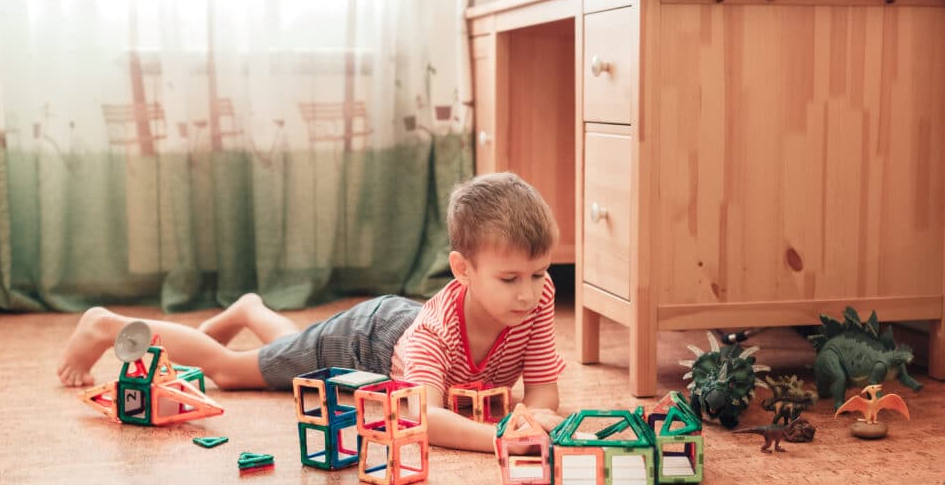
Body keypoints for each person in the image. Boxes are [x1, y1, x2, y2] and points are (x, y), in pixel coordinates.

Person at [58, 172, 565, 452]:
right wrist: (501, 436)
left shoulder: (537, 300)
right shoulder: (434, 334)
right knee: (232, 372)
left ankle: (252, 309)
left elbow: (542, 387)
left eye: (539, 273)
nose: (529, 292)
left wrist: (540, 414)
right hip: (365, 338)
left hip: (382, 332)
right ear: (463, 270)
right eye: (510, 279)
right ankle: (104, 324)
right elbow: (423, 416)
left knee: (292, 349)